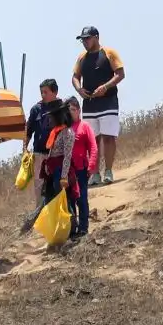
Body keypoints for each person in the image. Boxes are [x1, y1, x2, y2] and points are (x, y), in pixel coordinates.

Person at [72, 27, 126, 186]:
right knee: (91, 140)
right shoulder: (82, 57)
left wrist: (106, 87)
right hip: (89, 103)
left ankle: (108, 171)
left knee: (108, 137)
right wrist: (79, 89)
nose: (84, 42)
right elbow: (75, 76)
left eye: (87, 38)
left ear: (96, 37)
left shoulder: (109, 53)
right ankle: (94, 173)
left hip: (108, 101)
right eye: (82, 39)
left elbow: (120, 73)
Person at [19, 80, 63, 232]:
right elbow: (28, 131)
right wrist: (25, 149)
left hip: (57, 155)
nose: (43, 95)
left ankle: (58, 215)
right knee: (39, 187)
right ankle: (40, 217)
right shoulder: (36, 109)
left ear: (54, 92)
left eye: (46, 92)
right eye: (41, 92)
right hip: (39, 155)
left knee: (57, 185)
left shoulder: (62, 108)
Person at [64, 97, 99, 239]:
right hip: (67, 172)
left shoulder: (84, 126)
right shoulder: (64, 129)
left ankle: (84, 228)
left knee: (82, 199)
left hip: (81, 169)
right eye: (68, 110)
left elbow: (93, 147)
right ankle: (73, 228)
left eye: (72, 109)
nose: (70, 112)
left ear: (78, 110)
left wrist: (91, 166)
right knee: (70, 201)